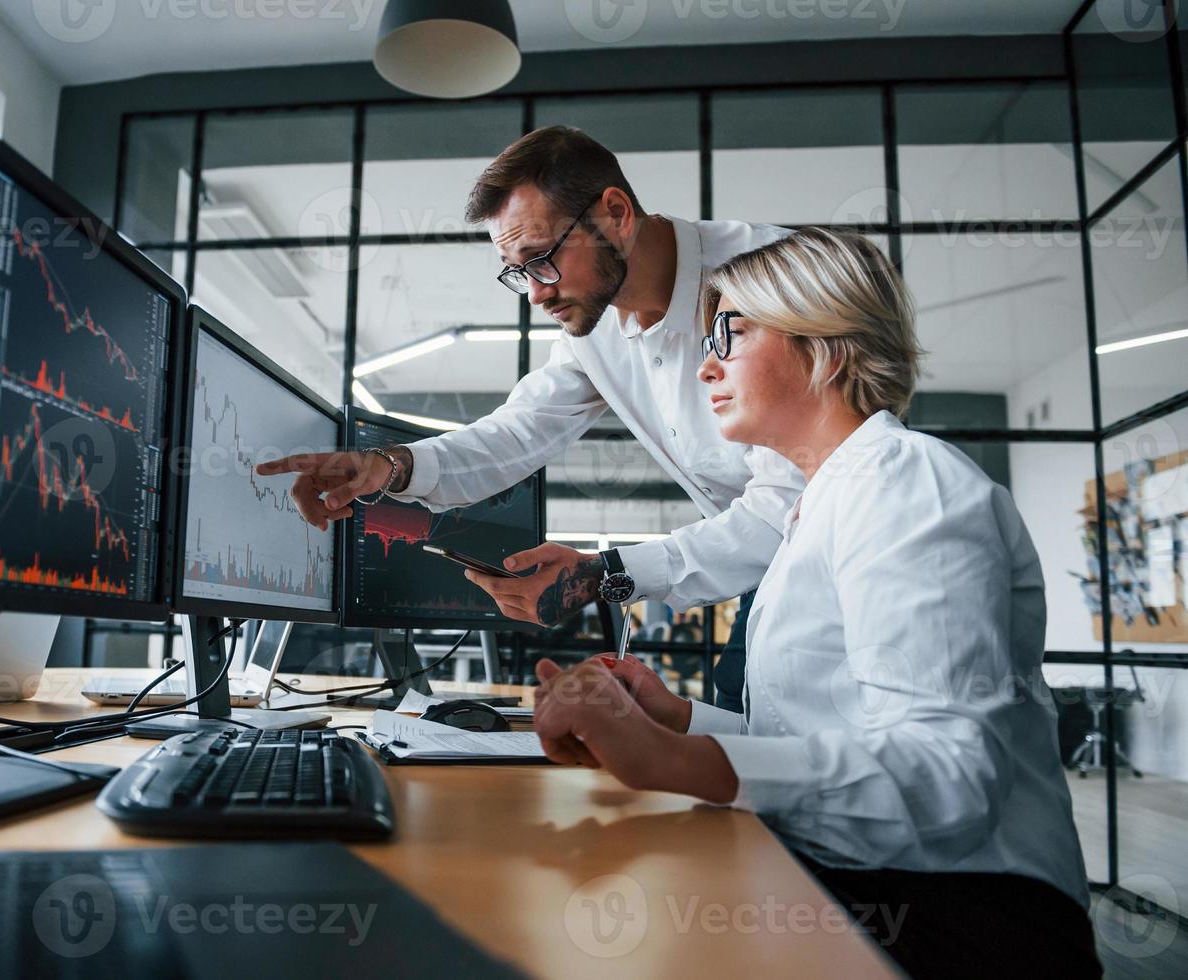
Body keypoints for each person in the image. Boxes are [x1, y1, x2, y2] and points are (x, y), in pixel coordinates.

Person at [530, 229, 1099, 978]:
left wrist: (677, 759)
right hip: (876, 880)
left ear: (824, 336)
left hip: (967, 915)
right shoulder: (822, 506)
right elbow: (830, 735)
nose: (706, 366)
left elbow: (947, 777)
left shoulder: (903, 483)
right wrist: (681, 719)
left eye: (730, 333)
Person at [256, 126, 802, 711]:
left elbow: (790, 506)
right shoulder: (594, 332)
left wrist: (601, 573)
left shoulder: (772, 278)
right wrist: (387, 468)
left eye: (540, 259)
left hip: (836, 560)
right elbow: (514, 435)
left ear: (615, 213)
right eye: (517, 272)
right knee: (743, 746)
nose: (536, 295)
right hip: (762, 578)